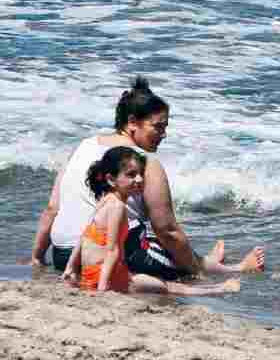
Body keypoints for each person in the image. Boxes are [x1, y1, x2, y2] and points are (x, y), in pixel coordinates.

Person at [30, 76, 264, 279]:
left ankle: (208, 262)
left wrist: (37, 258)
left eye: (165, 127)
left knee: (154, 237)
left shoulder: (82, 146)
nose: (163, 135)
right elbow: (168, 231)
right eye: (158, 127)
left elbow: (52, 209)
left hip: (62, 255)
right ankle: (232, 268)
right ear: (132, 122)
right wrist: (196, 273)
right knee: (168, 244)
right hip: (104, 258)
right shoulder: (144, 161)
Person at [61, 147, 239, 296]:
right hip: (106, 279)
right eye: (131, 175)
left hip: (89, 274)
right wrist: (102, 288)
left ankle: (215, 274)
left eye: (140, 174)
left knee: (158, 283)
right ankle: (220, 288)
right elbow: (112, 250)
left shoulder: (105, 199)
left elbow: (84, 236)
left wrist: (70, 268)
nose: (138, 179)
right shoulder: (117, 207)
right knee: (168, 286)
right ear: (110, 179)